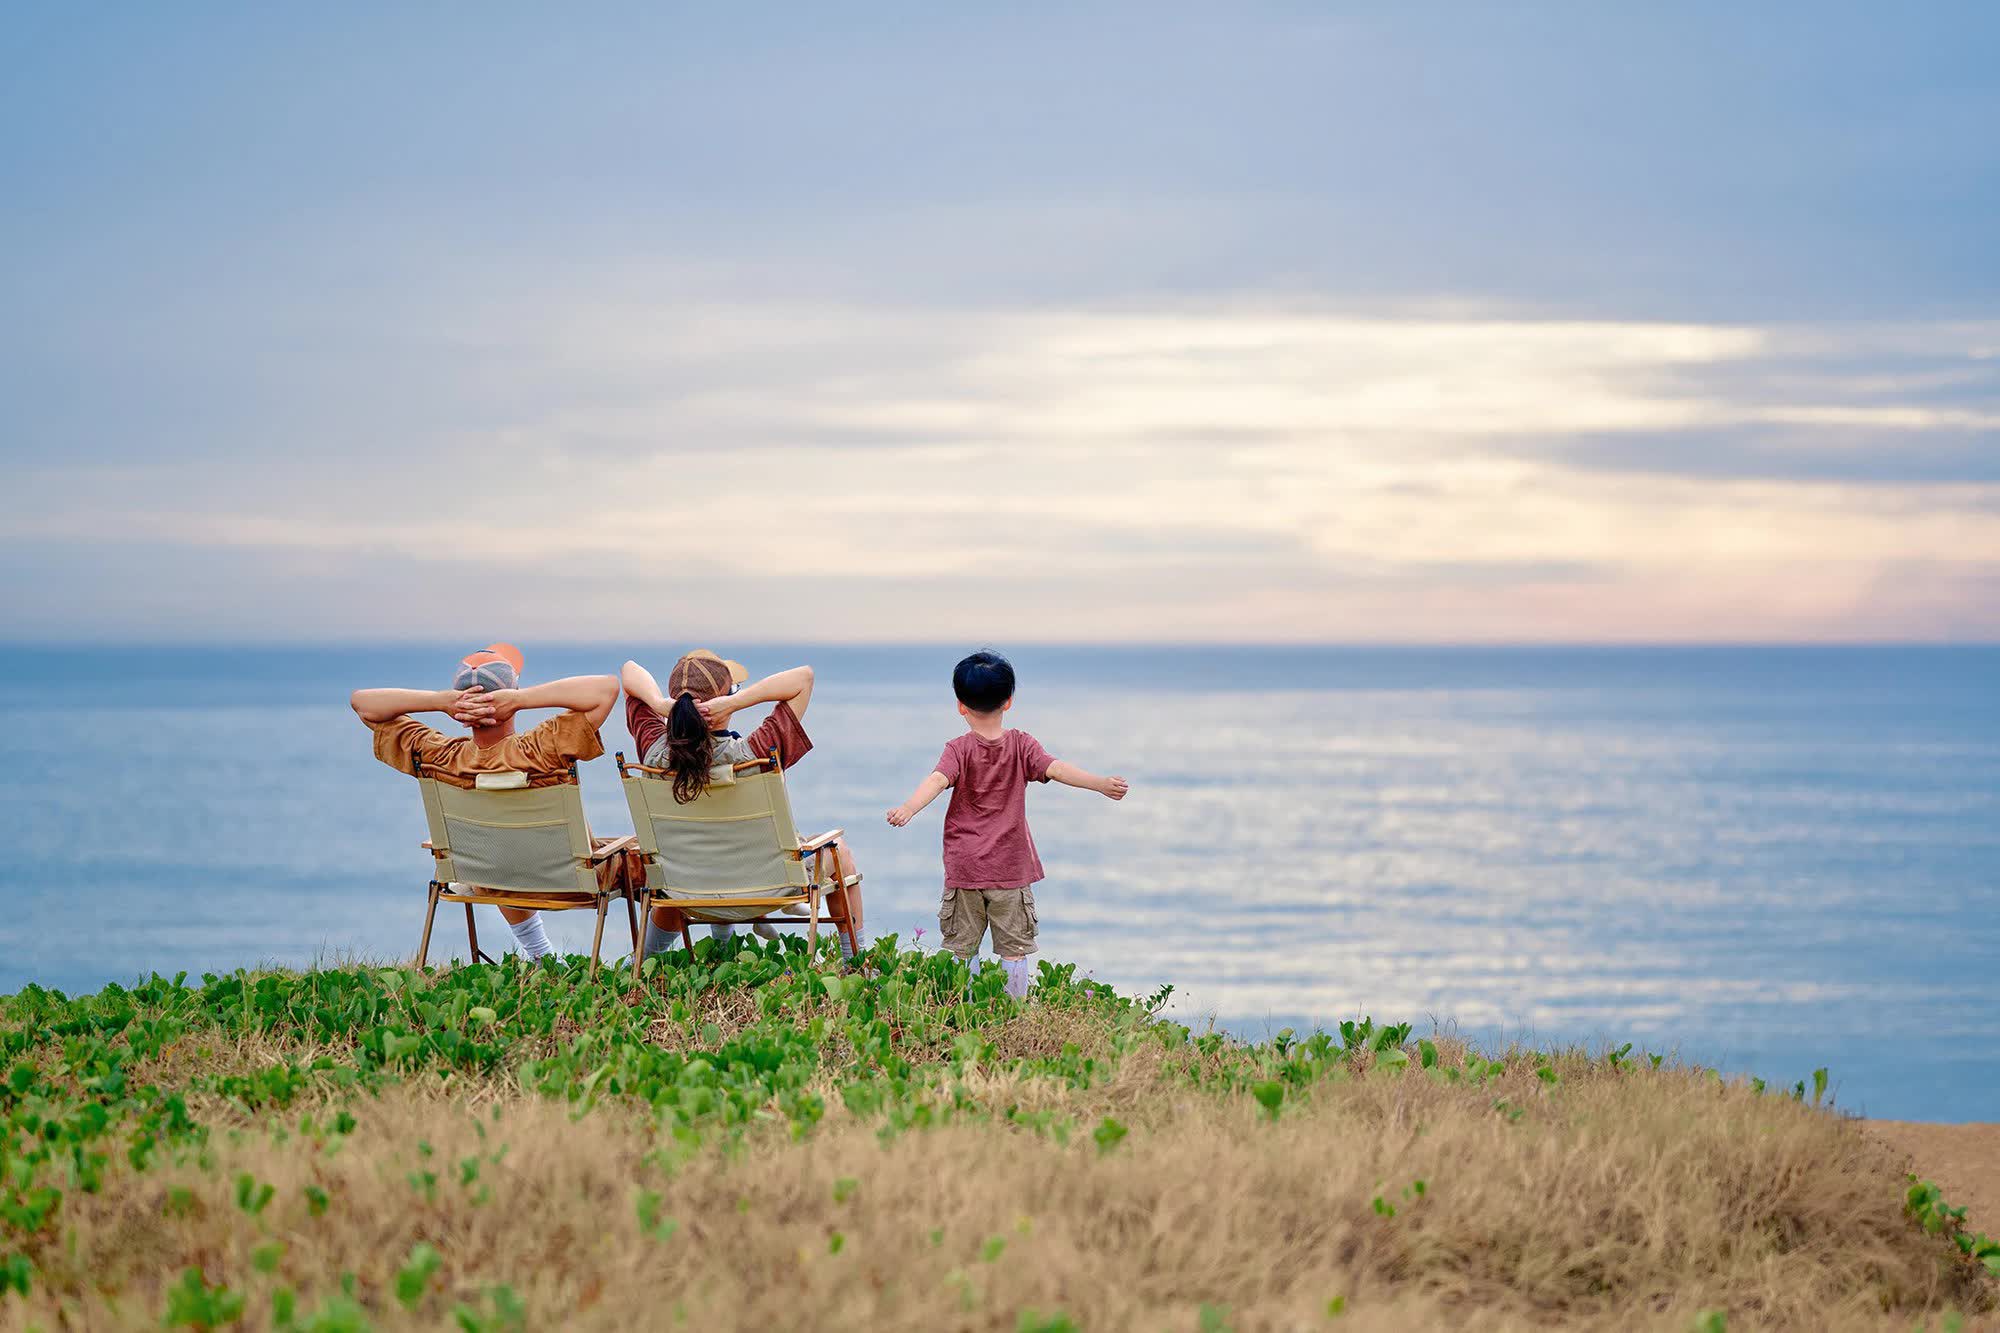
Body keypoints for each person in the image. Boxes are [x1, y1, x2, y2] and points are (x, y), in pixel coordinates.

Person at [350, 644, 622, 961]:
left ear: (460, 709)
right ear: (510, 696)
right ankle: (645, 958)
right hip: (573, 881)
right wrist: (521, 700)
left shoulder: (439, 756)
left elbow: (362, 703)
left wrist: (441, 702)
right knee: (636, 860)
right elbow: (607, 689)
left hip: (488, 877)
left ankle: (541, 955)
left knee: (501, 850)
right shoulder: (543, 748)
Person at [885, 650, 1128, 997]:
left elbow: (937, 780)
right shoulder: (1022, 745)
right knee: (1014, 950)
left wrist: (909, 808)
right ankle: (1013, 1010)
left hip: (966, 868)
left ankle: (964, 1006)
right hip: (1010, 869)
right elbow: (1057, 769)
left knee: (962, 949)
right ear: (1009, 701)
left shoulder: (958, 749)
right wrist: (1100, 784)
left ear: (960, 706)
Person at [622, 651, 863, 959]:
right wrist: (736, 702)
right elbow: (804, 678)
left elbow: (629, 672)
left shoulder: (654, 752)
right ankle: (856, 963)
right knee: (840, 851)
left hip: (685, 889)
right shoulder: (756, 753)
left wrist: (659, 705)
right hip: (768, 890)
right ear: (724, 701)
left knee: (682, 868)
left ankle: (641, 962)